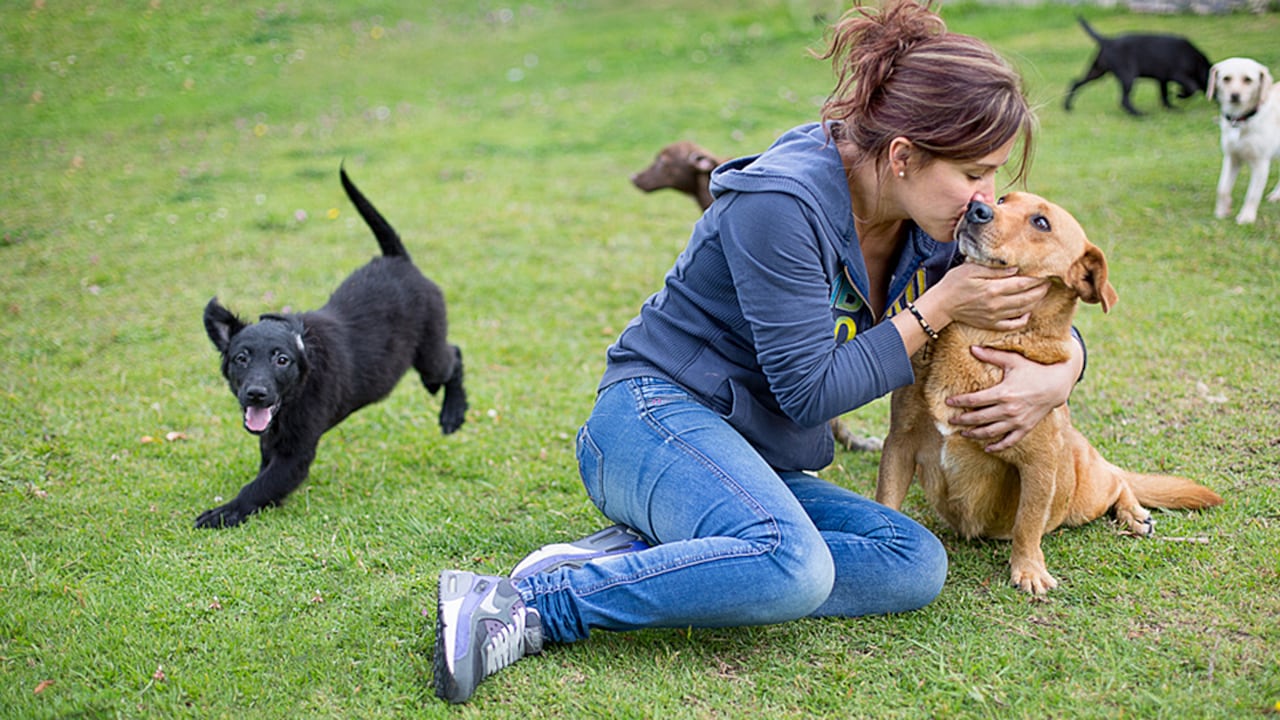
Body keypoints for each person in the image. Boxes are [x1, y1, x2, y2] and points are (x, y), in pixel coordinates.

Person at [432, 0, 1087, 704]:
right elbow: (810, 394)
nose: (986, 200)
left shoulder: (933, 219)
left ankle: (675, 554)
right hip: (650, 419)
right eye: (975, 175)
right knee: (793, 565)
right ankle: (529, 603)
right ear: (902, 156)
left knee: (912, 560)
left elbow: (1050, 298)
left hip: (751, 457)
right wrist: (940, 308)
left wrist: (1064, 370)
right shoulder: (781, 201)